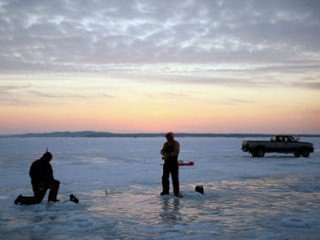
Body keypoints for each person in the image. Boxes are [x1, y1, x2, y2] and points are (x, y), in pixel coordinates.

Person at [160, 132, 182, 197]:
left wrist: (169, 154)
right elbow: (161, 151)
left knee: (175, 178)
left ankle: (176, 192)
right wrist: (164, 154)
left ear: (172, 137)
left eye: (169, 137)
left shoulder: (176, 143)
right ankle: (165, 191)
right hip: (166, 163)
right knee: (164, 178)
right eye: (167, 137)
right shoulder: (165, 144)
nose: (167, 138)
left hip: (174, 162)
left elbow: (176, 152)